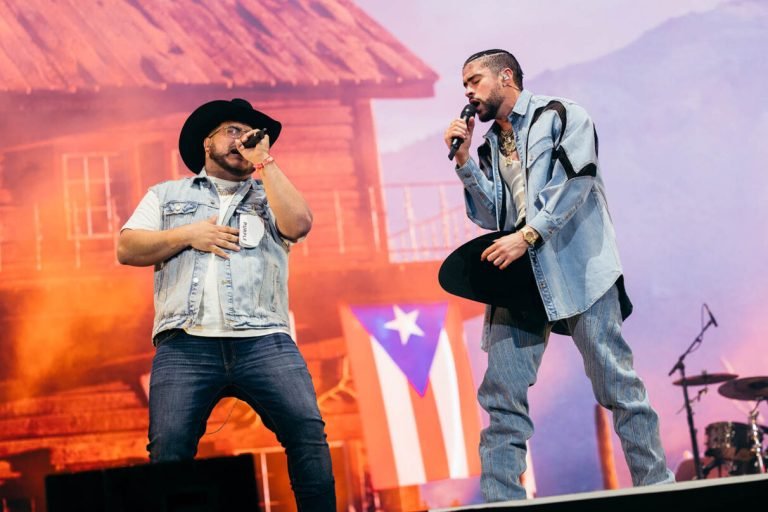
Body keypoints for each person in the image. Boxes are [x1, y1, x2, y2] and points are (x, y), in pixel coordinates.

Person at [443, 49, 675, 501]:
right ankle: (501, 501)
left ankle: (659, 491)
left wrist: (527, 236)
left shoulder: (563, 115)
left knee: (619, 386)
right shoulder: (490, 144)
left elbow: (576, 183)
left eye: (474, 81)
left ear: (505, 77)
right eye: (464, 86)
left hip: (578, 269)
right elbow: (492, 213)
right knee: (501, 401)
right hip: (518, 280)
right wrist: (466, 161)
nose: (468, 93)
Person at [117, 98, 335, 511]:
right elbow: (126, 248)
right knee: (169, 449)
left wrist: (265, 162)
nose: (243, 139)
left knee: (307, 432)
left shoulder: (269, 191)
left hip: (264, 339)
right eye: (233, 131)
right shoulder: (166, 195)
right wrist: (187, 235)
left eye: (251, 133)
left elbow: (299, 224)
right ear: (207, 142)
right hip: (185, 344)